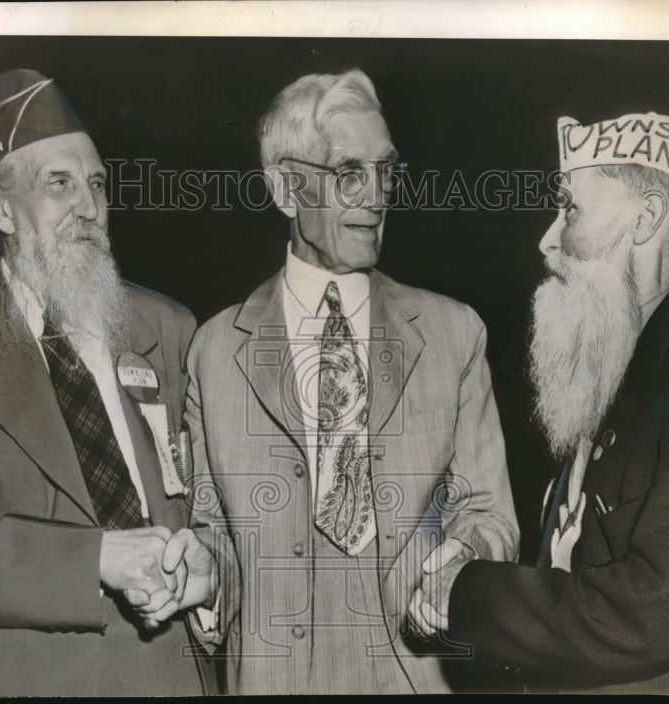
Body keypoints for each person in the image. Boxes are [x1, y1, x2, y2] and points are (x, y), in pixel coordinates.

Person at [0, 69, 217, 696]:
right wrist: (97, 558)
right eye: (58, 183)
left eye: (96, 184)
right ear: (3, 207)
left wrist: (211, 569)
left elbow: (219, 506)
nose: (88, 207)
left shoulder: (169, 329)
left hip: (167, 676)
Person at [419, 112, 669, 693]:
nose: (546, 239)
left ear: (645, 221)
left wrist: (466, 592)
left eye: (570, 210)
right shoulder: (619, 358)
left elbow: (652, 615)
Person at [179, 69, 519, 694]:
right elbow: (216, 542)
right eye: (347, 173)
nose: (375, 194)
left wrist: (462, 562)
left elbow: (488, 513)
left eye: (386, 170)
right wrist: (201, 578)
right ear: (286, 188)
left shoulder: (453, 334)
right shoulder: (214, 351)